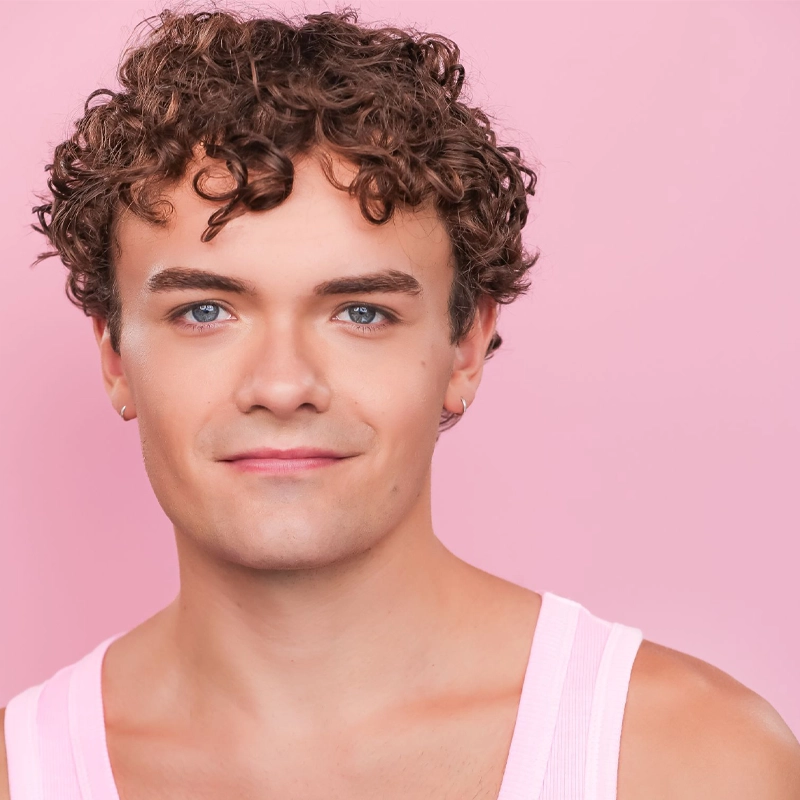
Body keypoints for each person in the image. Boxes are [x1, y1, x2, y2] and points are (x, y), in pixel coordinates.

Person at [2, 7, 798, 799]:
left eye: (361, 313)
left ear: (465, 347)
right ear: (114, 355)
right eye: (205, 312)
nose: (282, 386)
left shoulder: (689, 762)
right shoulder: (21, 771)